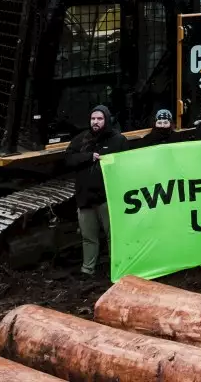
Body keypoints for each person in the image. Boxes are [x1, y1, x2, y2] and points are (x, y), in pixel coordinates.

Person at [65, 105, 127, 276]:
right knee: (88, 236)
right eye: (93, 119)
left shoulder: (118, 140)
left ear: (106, 120)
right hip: (85, 197)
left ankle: (117, 269)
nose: (95, 122)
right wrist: (88, 157)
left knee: (112, 235)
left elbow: (125, 166)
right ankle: (87, 269)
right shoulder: (81, 139)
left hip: (107, 197)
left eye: (99, 119)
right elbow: (68, 159)